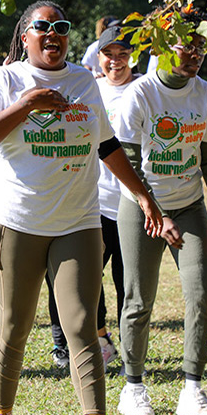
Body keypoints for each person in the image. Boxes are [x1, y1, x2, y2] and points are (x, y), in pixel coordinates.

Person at [0, 0, 163, 415]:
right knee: (15, 322)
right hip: (17, 222)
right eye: (42, 27)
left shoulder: (83, 83)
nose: (52, 34)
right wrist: (26, 105)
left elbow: (106, 145)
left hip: (78, 223)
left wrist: (143, 196)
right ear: (25, 36)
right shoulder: (6, 79)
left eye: (61, 27)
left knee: (81, 325)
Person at [113, 7, 207, 415]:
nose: (196, 53)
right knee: (138, 299)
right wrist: (154, 210)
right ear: (164, 45)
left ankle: (192, 389)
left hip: (189, 206)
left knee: (201, 291)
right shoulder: (141, 94)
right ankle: (133, 387)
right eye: (188, 44)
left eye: (202, 46)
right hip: (141, 207)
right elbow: (127, 161)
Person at [46, 25, 141, 371]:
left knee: (128, 282)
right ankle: (85, 340)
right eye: (108, 54)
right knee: (80, 278)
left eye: (122, 53)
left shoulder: (144, 90)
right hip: (91, 202)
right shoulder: (87, 88)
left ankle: (131, 348)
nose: (115, 61)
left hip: (131, 203)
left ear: (135, 55)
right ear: (97, 57)